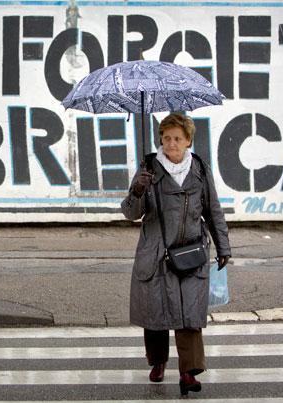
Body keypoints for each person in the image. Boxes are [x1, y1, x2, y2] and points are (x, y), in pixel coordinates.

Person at [121, 113, 231, 396]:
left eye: (178, 139)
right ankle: (157, 362)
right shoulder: (148, 167)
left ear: (188, 141)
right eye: (167, 138)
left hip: (191, 252)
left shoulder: (200, 169)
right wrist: (137, 189)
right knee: (156, 313)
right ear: (161, 138)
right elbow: (131, 213)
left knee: (190, 315)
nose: (171, 143)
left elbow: (213, 210)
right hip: (156, 253)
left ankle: (188, 373)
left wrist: (223, 247)